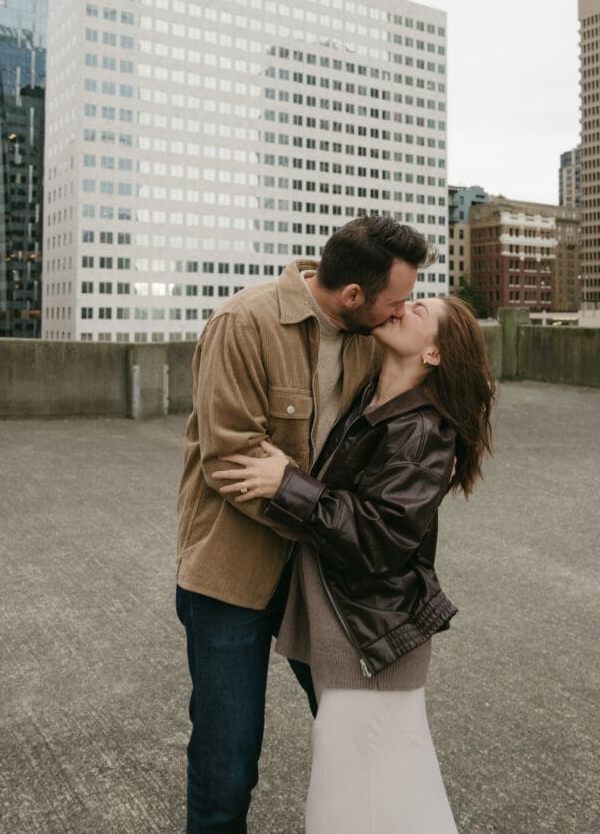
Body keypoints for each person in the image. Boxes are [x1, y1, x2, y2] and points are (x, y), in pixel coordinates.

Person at [175, 215, 436, 833]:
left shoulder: (379, 339)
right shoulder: (245, 324)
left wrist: (317, 506)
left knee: (358, 739)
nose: (400, 313)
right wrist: (333, 516)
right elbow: (232, 461)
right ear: (353, 296)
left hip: (324, 580)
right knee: (227, 767)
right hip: (231, 577)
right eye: (394, 302)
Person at [213, 294, 495, 833]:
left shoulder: (422, 430)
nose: (405, 306)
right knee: (379, 793)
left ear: (434, 354)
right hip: (352, 629)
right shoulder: (372, 398)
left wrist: (287, 486)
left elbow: (382, 537)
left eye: (421, 311)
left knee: (360, 802)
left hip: (369, 636)